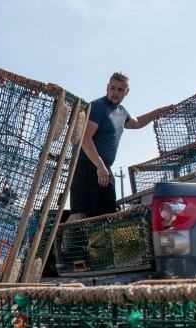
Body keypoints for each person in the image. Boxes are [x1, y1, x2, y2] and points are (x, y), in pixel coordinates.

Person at [70, 71, 173, 219]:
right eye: (113, 88)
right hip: (86, 165)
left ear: (126, 92)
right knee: (81, 214)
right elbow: (85, 139)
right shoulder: (97, 106)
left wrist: (158, 112)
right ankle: (64, 242)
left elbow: (136, 123)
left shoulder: (122, 112)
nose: (115, 93)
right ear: (107, 87)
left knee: (107, 215)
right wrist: (99, 165)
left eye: (120, 90)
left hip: (104, 168)